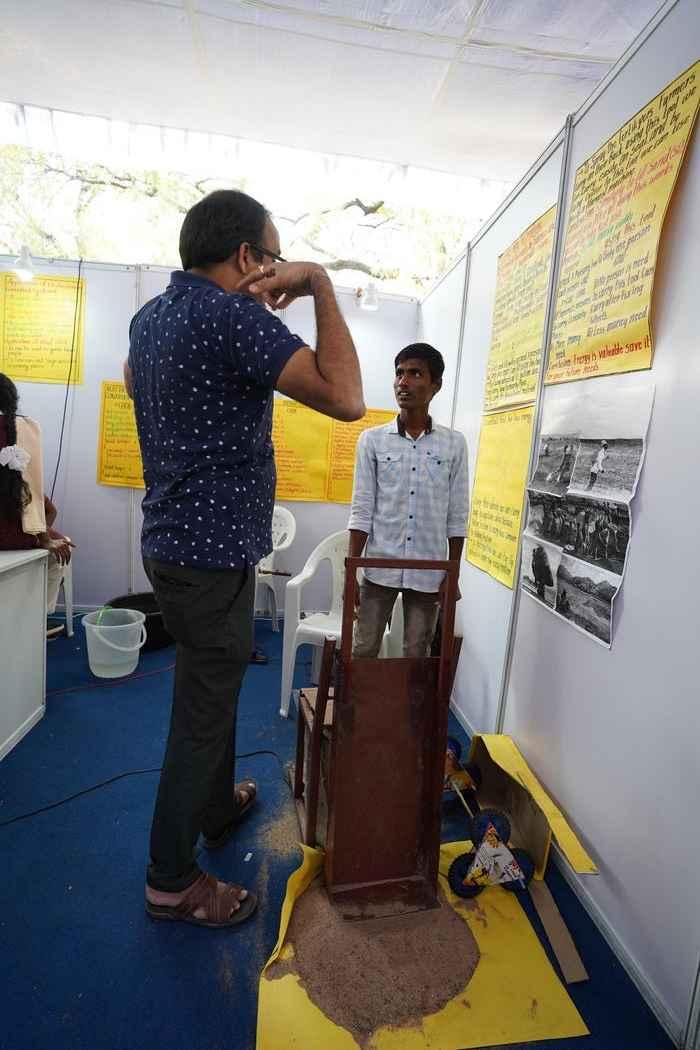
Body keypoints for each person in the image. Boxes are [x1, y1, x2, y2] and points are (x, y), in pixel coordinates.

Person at [125, 189, 364, 928]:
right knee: (200, 713)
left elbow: (134, 381)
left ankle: (216, 809)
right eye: (274, 258)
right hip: (211, 557)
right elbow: (347, 397)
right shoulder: (233, 316)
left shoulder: (151, 316)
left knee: (211, 687)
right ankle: (171, 880)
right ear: (246, 257)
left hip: (172, 546)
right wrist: (318, 282)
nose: (278, 272)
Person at [348, 343, 468, 658]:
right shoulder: (372, 441)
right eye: (399, 373)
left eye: (415, 374)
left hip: (428, 570)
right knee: (363, 649)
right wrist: (350, 572)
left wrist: (452, 573)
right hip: (379, 566)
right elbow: (362, 508)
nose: (403, 382)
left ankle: (407, 696)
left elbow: (457, 515)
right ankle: (360, 695)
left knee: (416, 655)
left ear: (435, 385)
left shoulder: (454, 444)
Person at [0, 373, 74, 638]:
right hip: (14, 537)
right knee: (63, 548)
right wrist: (43, 539)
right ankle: (39, 618)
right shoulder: (26, 428)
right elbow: (33, 495)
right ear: (12, 399)